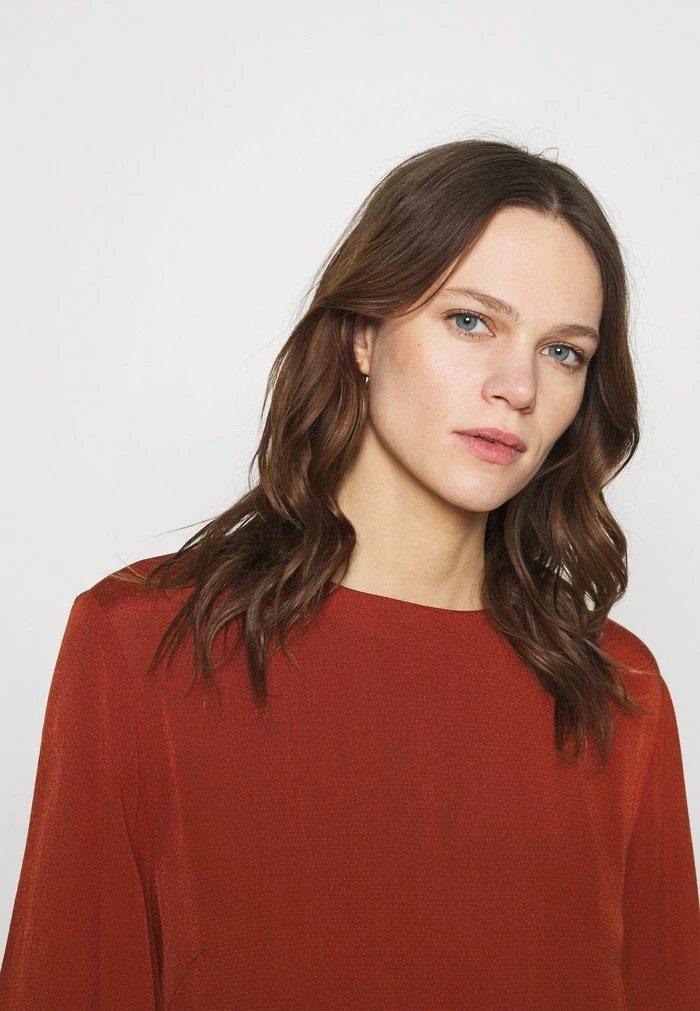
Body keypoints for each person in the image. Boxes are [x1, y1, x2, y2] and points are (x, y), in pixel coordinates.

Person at [1, 138, 698, 1010]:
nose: (518, 386)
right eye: (471, 321)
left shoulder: (618, 691)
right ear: (365, 334)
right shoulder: (142, 646)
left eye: (564, 352)